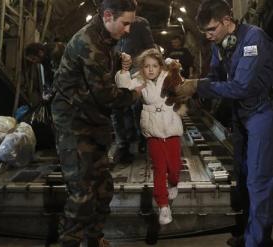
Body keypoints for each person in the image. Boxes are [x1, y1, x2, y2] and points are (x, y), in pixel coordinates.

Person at [174, 0, 273, 246]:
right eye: (204, 31)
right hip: (242, 112)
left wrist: (197, 86)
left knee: (258, 179)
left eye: (212, 29)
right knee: (243, 175)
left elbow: (241, 86)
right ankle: (248, 233)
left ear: (227, 21)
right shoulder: (220, 44)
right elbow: (215, 77)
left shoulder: (254, 40)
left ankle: (258, 241)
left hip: (263, 112)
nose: (207, 35)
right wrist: (192, 83)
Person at [50, 0, 143, 246]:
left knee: (103, 189)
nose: (128, 30)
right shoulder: (89, 43)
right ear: (108, 16)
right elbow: (105, 95)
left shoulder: (105, 41)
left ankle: (94, 238)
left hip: (94, 120)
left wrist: (118, 64)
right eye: (125, 23)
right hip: (75, 124)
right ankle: (69, 242)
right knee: (81, 193)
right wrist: (136, 93)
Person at [115, 48, 183, 225]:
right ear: (142, 68)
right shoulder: (139, 79)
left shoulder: (166, 77)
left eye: (154, 66)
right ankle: (163, 206)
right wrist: (123, 71)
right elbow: (124, 87)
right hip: (152, 130)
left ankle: (174, 184)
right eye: (146, 66)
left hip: (171, 128)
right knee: (160, 168)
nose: (150, 70)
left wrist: (174, 68)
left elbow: (180, 86)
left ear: (160, 67)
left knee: (174, 168)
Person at [112, 14, 155, 163]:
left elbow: (150, 47)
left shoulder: (141, 23)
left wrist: (152, 68)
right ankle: (122, 144)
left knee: (137, 106)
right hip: (117, 69)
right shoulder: (112, 21)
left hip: (136, 69)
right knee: (117, 107)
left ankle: (142, 138)